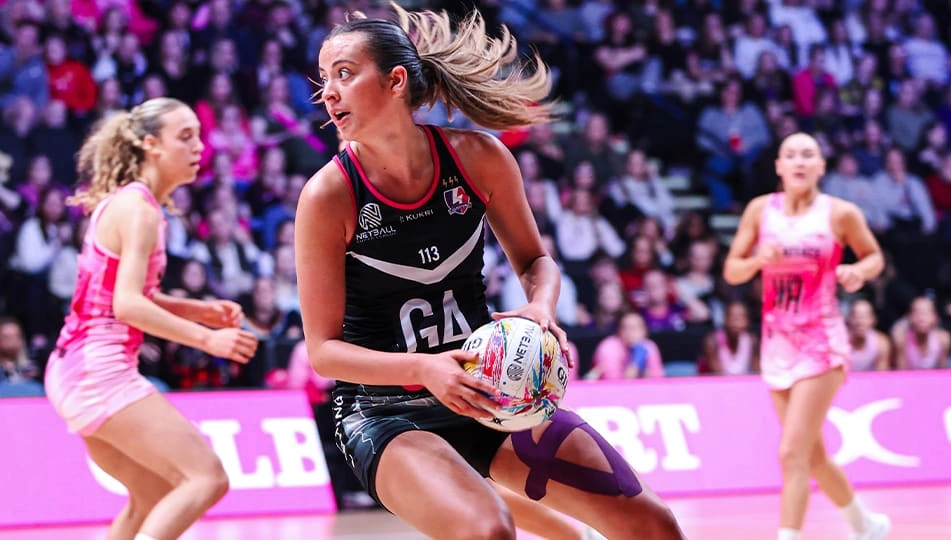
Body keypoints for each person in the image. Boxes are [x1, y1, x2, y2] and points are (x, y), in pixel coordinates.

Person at [294, 5, 684, 540]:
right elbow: (323, 351)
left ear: (395, 81)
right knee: (488, 531)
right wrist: (425, 369)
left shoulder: (478, 158)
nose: (327, 93)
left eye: (344, 73)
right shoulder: (328, 195)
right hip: (383, 410)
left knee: (653, 525)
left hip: (493, 391)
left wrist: (539, 308)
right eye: (324, 79)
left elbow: (536, 263)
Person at [44, 97, 259, 540]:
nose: (199, 146)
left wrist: (194, 308)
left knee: (154, 494)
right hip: (97, 370)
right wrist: (206, 338)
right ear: (150, 145)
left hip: (76, 367)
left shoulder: (132, 204)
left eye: (198, 135)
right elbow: (127, 306)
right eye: (185, 137)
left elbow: (130, 296)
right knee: (208, 478)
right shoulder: (139, 210)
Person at [723, 132, 890, 540]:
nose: (799, 161)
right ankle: (866, 525)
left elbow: (874, 257)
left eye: (808, 154)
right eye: (791, 155)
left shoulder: (840, 214)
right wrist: (758, 260)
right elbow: (731, 271)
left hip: (822, 343)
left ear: (821, 166)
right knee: (813, 457)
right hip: (777, 344)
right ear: (779, 166)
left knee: (791, 453)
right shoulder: (761, 211)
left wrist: (857, 272)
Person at [846, 299, 891, 371]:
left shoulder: (881, 343)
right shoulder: (839, 343)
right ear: (849, 319)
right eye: (855, 316)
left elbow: (883, 377)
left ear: (873, 320)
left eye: (865, 317)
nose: (860, 322)